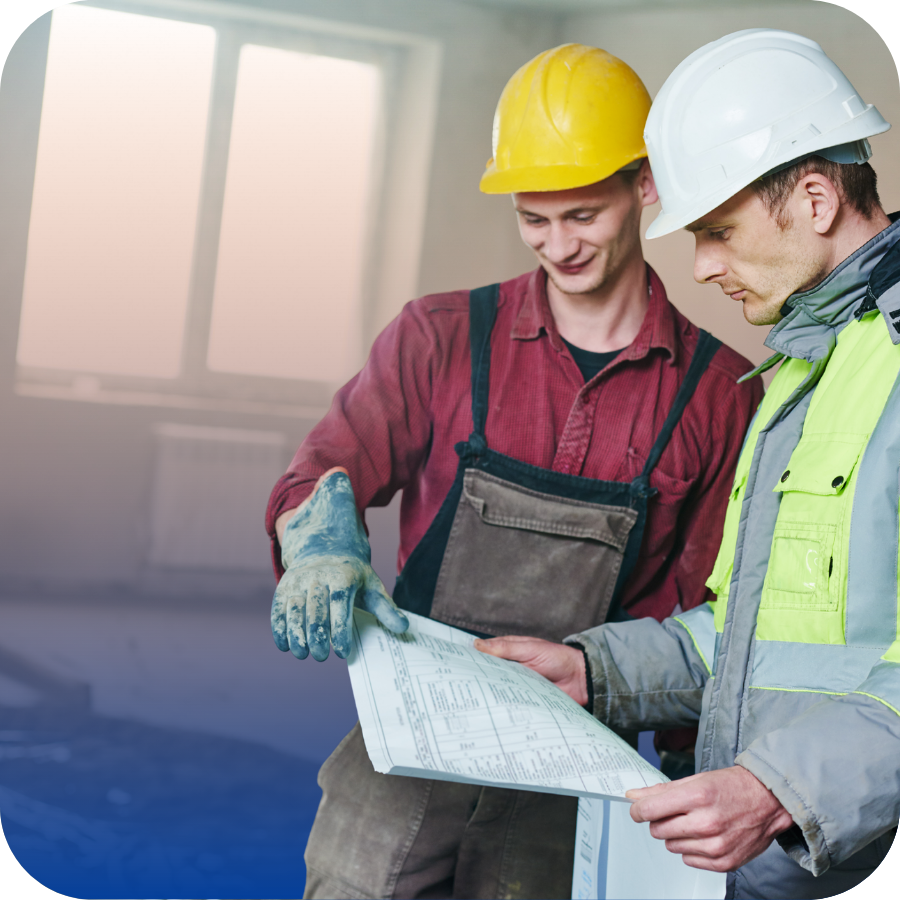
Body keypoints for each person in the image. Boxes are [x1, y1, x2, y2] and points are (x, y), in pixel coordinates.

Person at [266, 44, 762, 899]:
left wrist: (696, 766)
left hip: (574, 763)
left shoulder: (717, 396)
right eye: (535, 218)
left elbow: (710, 610)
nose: (558, 245)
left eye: (582, 214)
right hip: (410, 738)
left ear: (643, 186)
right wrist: (319, 546)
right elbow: (325, 468)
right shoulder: (440, 336)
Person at [478, 29, 899, 899]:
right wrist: (595, 670)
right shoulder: (803, 369)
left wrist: (783, 788)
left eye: (717, 231)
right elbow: (752, 634)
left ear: (816, 198)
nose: (701, 266)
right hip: (766, 865)